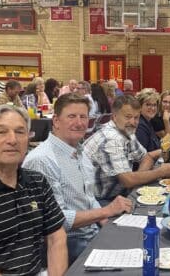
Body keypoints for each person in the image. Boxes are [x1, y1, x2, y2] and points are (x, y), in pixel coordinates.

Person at [23, 93, 133, 264]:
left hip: (92, 232)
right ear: (56, 121)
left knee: (140, 242)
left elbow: (89, 199)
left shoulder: (79, 152)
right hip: (69, 244)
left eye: (83, 117)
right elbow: (56, 221)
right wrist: (106, 211)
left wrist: (108, 224)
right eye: (72, 116)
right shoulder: (42, 160)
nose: (79, 123)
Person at [0, 105, 67, 275]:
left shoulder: (37, 181)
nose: (12, 140)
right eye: (1, 132)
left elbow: (57, 236)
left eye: (20, 132)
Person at [83, 95, 170, 205]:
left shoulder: (127, 131)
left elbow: (146, 157)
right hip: (99, 202)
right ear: (114, 117)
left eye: (136, 117)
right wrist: (160, 171)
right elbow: (127, 180)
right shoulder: (112, 138)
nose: (133, 122)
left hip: (119, 195)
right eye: (128, 117)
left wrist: (138, 179)